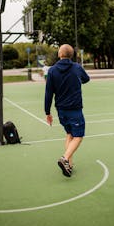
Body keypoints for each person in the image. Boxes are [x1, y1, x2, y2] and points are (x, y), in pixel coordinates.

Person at [45, 44, 90, 177]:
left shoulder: (52, 70)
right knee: (78, 136)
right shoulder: (76, 67)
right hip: (74, 109)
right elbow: (86, 79)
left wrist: (47, 112)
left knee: (69, 134)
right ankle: (65, 158)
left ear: (59, 54)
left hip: (61, 110)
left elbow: (48, 93)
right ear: (71, 55)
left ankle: (69, 164)